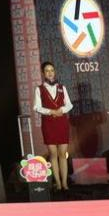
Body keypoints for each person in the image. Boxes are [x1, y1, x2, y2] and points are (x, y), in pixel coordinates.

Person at [34, 62, 74, 190]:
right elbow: (37, 107)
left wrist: (61, 110)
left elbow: (69, 104)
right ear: (43, 73)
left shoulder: (62, 87)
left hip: (62, 122)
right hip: (48, 123)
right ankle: (57, 183)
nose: (50, 73)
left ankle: (65, 183)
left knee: (62, 153)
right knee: (53, 153)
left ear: (54, 72)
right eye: (47, 71)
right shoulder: (39, 89)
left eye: (52, 70)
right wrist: (51, 111)